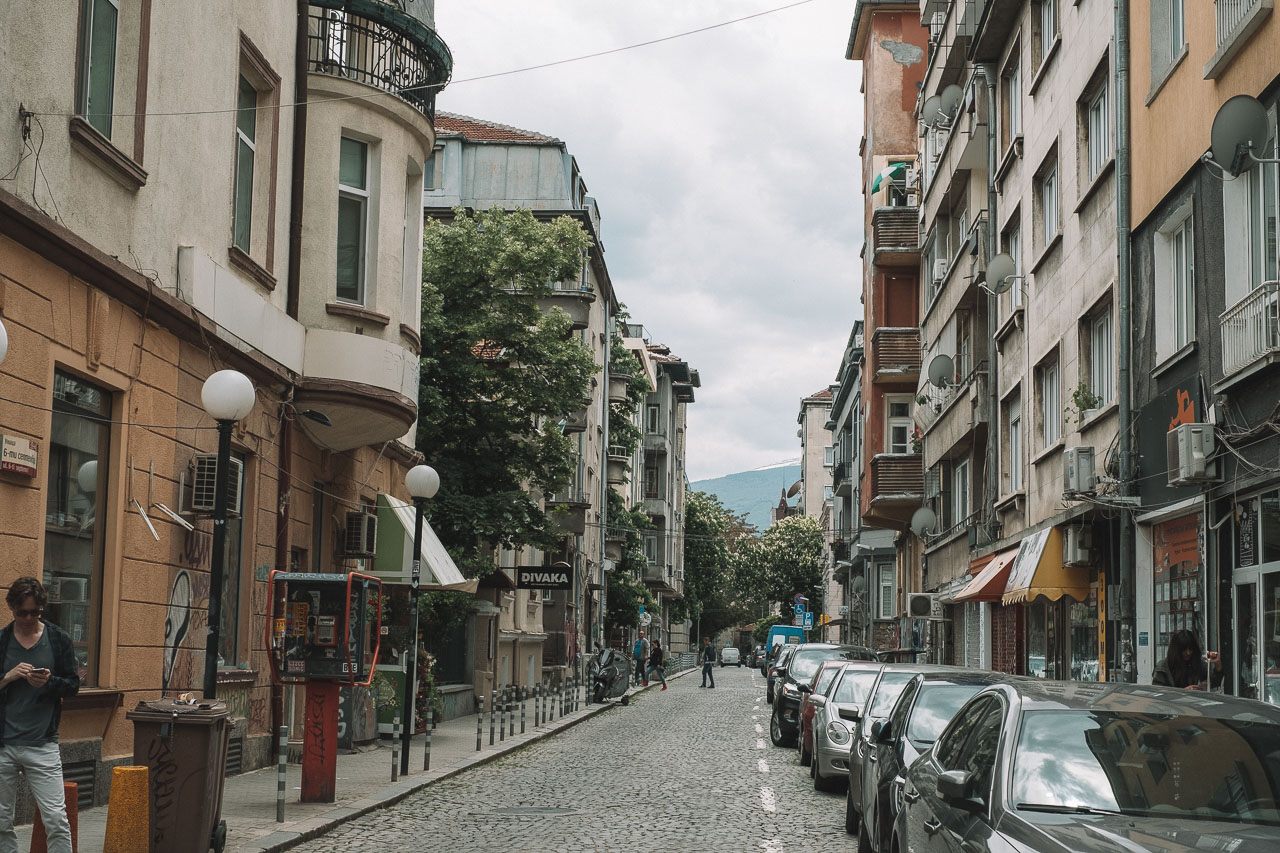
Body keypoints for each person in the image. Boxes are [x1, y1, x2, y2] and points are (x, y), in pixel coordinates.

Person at [0, 577, 79, 853]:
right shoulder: (2, 641)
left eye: (35, 612)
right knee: (1, 822)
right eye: (23, 612)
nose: (29, 618)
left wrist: (50, 682)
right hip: (4, 745)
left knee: (56, 819)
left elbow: (73, 685)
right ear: (11, 608)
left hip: (43, 743)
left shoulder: (57, 639)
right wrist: (7, 678)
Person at [1153, 629, 1222, 691]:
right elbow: (1158, 694)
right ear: (1176, 650)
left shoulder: (1198, 662)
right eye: (1184, 649)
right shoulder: (1163, 667)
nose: (1188, 653)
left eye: (1190, 649)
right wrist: (1183, 692)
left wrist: (1218, 666)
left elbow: (1213, 683)